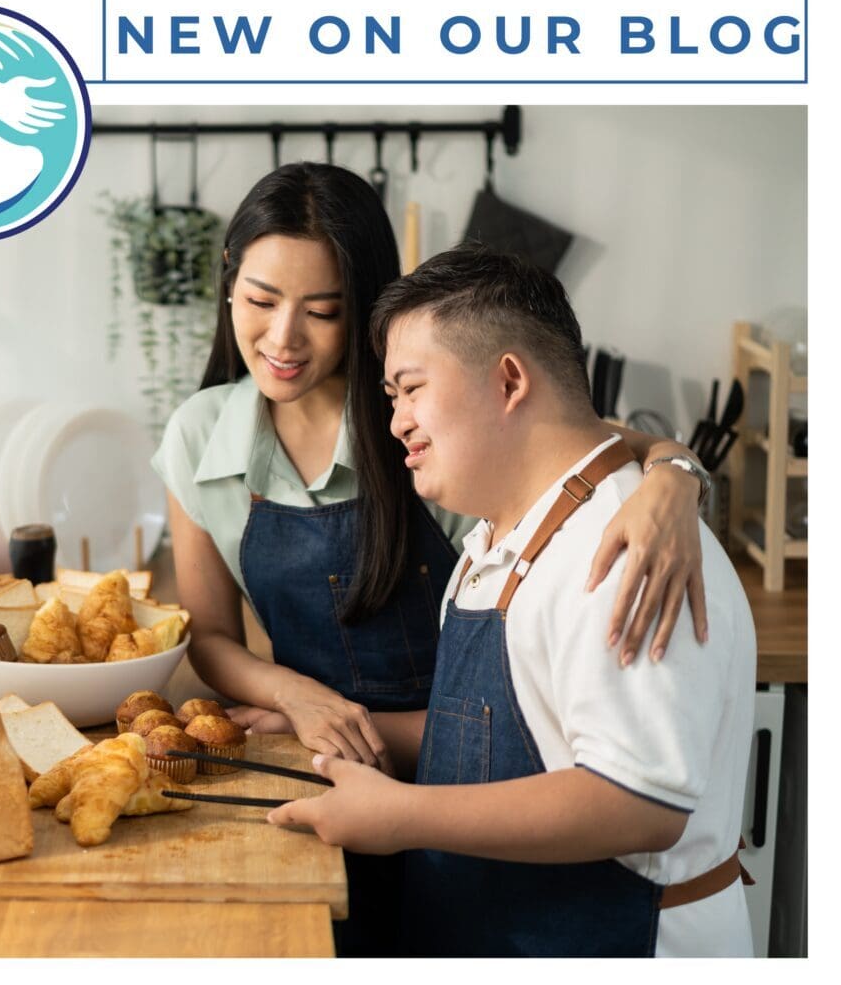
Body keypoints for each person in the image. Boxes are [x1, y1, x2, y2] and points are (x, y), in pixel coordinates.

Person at [152, 162, 713, 957]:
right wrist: (302, 701)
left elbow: (579, 442)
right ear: (228, 287)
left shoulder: (426, 424)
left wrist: (676, 473)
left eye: (323, 311)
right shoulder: (199, 436)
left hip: (477, 776)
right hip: (320, 760)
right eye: (260, 301)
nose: (283, 339)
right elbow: (208, 636)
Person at [268, 246, 756, 958]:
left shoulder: (622, 549)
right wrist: (324, 721)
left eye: (410, 389)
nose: (396, 421)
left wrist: (404, 815)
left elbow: (639, 804)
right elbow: (502, 736)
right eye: (390, 397)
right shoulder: (507, 533)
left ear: (508, 380)